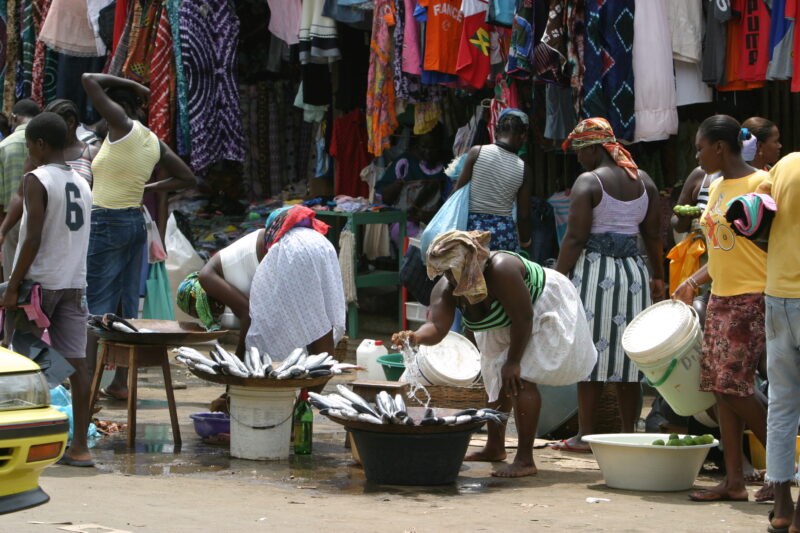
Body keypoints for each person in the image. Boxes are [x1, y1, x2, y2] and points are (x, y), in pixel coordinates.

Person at [392, 230, 596, 477]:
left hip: (540, 307)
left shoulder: (502, 270)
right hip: (508, 317)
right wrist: (414, 338)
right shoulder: (446, 287)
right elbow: (437, 327)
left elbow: (523, 318)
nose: (451, 277)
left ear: (472, 262)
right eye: (446, 272)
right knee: (493, 377)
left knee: (520, 378)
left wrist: (513, 361)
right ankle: (495, 446)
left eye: (455, 270)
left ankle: (525, 459)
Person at [552, 117, 664, 453]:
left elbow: (574, 238)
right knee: (629, 359)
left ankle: (585, 436)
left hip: (596, 274)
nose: (577, 158)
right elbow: (653, 236)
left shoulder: (588, 183)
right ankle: (628, 431)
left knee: (591, 357)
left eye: (579, 150)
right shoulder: (645, 182)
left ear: (594, 147)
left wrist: (556, 277)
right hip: (634, 274)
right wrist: (658, 277)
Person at [81, 73, 196, 401]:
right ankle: (120, 383)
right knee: (126, 306)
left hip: (107, 221)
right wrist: (151, 187)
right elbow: (187, 177)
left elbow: (89, 79)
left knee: (95, 305)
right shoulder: (150, 139)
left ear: (118, 107)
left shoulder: (122, 125)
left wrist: (136, 87)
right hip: (134, 221)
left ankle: (89, 383)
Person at [671, 115, 768, 503]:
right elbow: (723, 247)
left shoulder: (761, 183)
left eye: (699, 147)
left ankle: (782, 470)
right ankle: (734, 480)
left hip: (752, 297)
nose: (697, 154)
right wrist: (694, 281)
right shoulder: (714, 186)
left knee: (736, 388)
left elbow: (766, 246)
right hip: (720, 297)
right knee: (720, 390)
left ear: (720, 148)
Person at [1, 112, 93, 466]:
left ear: (40, 145)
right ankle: (81, 448)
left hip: (38, 286)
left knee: (23, 359)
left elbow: (33, 237)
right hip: (73, 283)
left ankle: (25, 440)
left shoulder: (36, 179)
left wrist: (12, 287)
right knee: (79, 366)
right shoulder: (82, 182)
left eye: (29, 146)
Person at [246, 205, 346, 360]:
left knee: (304, 317)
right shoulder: (317, 236)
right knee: (322, 317)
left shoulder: (284, 243)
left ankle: (292, 372)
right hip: (324, 251)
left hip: (294, 255)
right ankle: (318, 376)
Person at [176, 227, 266, 356]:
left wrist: (238, 360)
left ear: (199, 299)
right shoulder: (228, 278)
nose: (215, 315)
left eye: (201, 312)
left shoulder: (206, 278)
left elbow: (248, 315)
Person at [453, 109, 532, 251]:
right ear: (523, 136)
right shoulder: (524, 169)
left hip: (472, 232)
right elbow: (523, 215)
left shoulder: (476, 152)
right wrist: (526, 242)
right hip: (504, 234)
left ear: (495, 132)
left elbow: (456, 194)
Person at [376, 126, 449, 241]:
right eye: (423, 147)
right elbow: (384, 197)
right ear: (417, 145)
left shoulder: (448, 165)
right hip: (408, 224)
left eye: (432, 147)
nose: (428, 152)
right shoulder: (404, 163)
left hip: (437, 223)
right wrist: (399, 184)